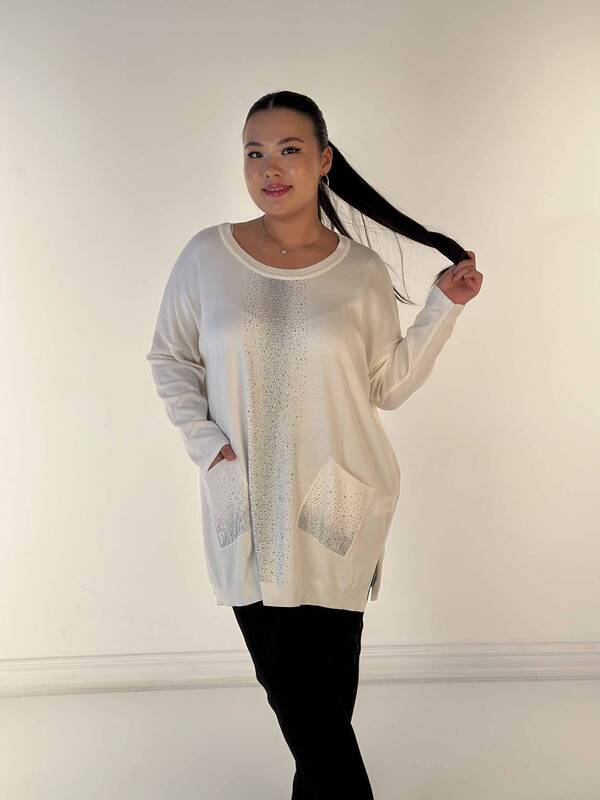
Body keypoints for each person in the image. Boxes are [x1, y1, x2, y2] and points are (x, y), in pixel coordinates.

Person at [146, 90, 482, 799]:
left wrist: (442, 307)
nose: (270, 168)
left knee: (321, 712)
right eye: (254, 153)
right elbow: (170, 357)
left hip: (340, 495)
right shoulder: (207, 255)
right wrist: (209, 447)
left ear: (324, 161)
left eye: (290, 150)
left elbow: (385, 386)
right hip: (246, 501)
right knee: (303, 705)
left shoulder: (359, 271)